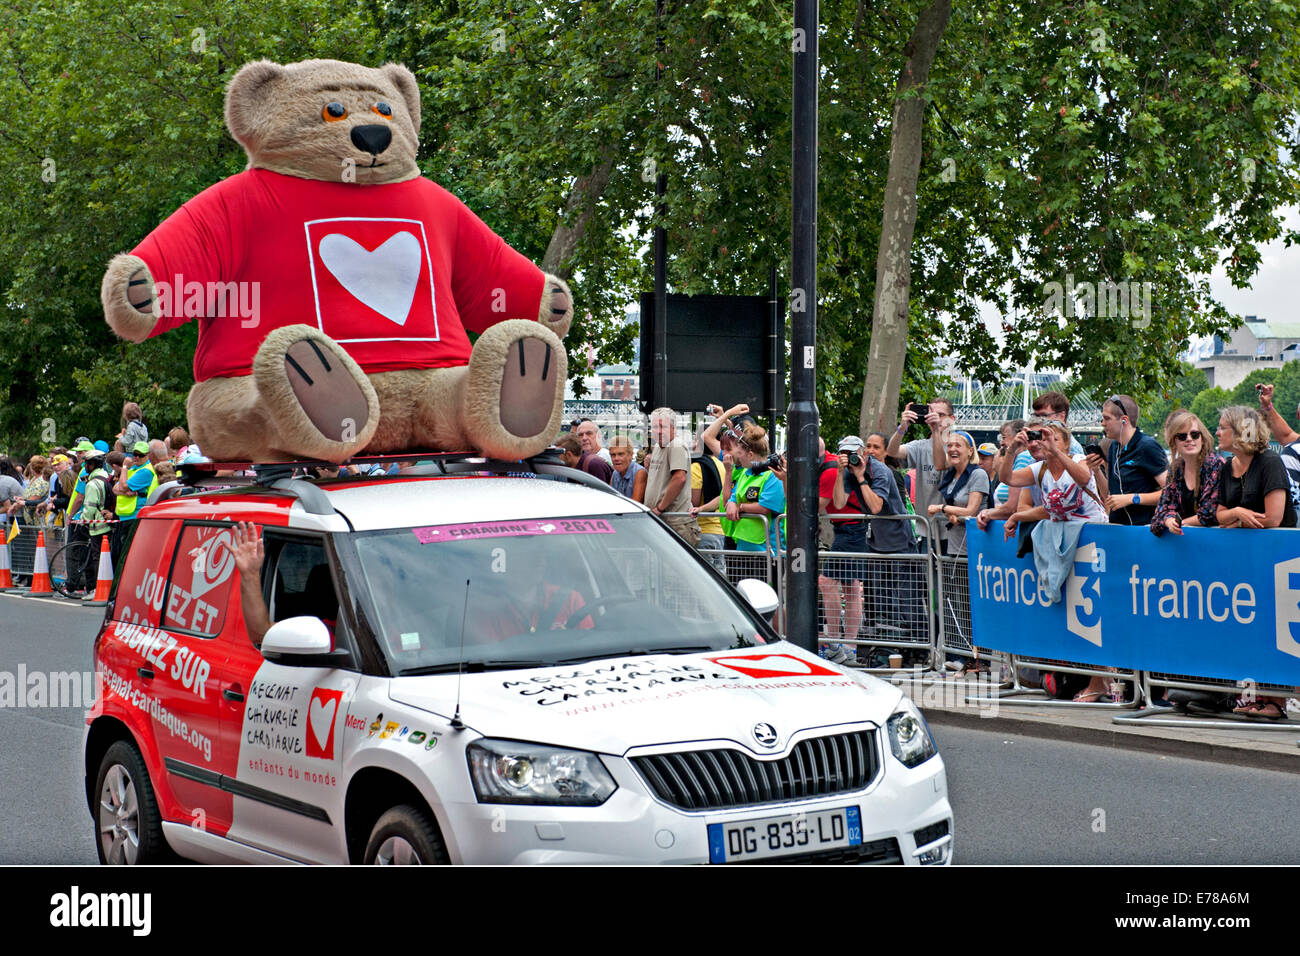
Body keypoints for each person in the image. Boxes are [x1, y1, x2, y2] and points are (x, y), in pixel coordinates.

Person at [1212, 406, 1296, 719]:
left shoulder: (1269, 463)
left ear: (1241, 431)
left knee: (1277, 629)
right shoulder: (1226, 467)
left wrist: (1237, 519)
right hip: (1243, 562)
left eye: (1223, 427)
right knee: (1256, 629)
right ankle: (1264, 697)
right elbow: (1219, 515)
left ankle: (1277, 701)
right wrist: (1236, 514)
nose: (1217, 432)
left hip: (1276, 561)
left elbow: (1273, 518)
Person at [886, 398, 957, 547]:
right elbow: (892, 452)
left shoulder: (959, 447)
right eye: (931, 414)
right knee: (928, 570)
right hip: (927, 528)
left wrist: (937, 431)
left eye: (941, 415)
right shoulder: (921, 446)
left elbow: (941, 464)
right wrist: (902, 427)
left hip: (954, 527)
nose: (936, 418)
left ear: (952, 419)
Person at [1092, 394, 1167, 525]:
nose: (1102, 423)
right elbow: (1110, 495)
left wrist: (1133, 498)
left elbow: (1170, 492)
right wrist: (1097, 470)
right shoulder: (1113, 447)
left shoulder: (1147, 446)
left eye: (1107, 418)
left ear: (1124, 420)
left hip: (1144, 530)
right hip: (1119, 529)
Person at [1150, 410, 1222, 536]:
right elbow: (1162, 509)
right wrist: (1169, 521)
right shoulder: (1176, 469)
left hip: (1213, 541)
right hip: (1183, 543)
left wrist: (1179, 523)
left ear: (1202, 438)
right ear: (1174, 442)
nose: (1189, 439)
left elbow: (1210, 513)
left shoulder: (1216, 465)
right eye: (1182, 436)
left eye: (1194, 435)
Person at [725, 423, 785, 556]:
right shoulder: (745, 474)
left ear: (750, 455)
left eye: (740, 453)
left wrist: (740, 507)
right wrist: (731, 504)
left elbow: (765, 507)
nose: (738, 457)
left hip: (768, 550)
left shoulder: (774, 475)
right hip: (743, 545)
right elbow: (731, 498)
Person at [646, 407, 701, 547]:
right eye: (654, 427)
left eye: (662, 427)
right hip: (665, 520)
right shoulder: (659, 446)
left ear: (673, 428)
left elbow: (679, 478)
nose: (657, 431)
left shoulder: (675, 445)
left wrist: (659, 508)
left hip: (675, 523)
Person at [928, 431, 988, 556]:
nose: (952, 449)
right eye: (949, 446)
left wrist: (941, 508)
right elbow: (954, 507)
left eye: (958, 445)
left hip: (975, 547)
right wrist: (951, 516)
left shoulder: (978, 474)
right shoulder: (951, 475)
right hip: (954, 545)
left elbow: (970, 511)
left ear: (970, 451)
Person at [1031, 391, 1085, 456]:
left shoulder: (1073, 449)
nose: (1038, 420)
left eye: (1044, 416)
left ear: (1061, 416)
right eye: (1036, 416)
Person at [608, 436, 646, 502]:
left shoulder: (639, 473)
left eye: (621, 454)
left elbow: (635, 505)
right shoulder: (615, 474)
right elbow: (610, 500)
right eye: (613, 455)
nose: (616, 458)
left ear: (631, 455)